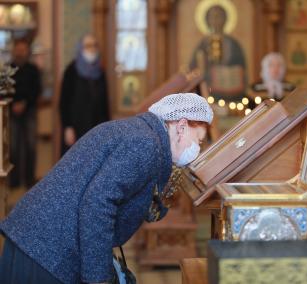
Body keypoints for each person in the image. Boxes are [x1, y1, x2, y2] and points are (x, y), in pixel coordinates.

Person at [0, 93, 213, 284]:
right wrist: (99, 278)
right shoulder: (146, 144)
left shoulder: (142, 133)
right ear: (182, 126)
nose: (197, 149)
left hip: (38, 241)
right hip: (45, 250)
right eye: (198, 140)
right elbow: (97, 204)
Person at [59, 34, 109, 155]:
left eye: (94, 45)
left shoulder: (100, 72)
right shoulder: (71, 70)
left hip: (96, 126)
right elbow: (64, 101)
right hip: (75, 127)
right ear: (80, 48)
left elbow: (105, 103)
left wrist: (107, 128)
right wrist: (68, 127)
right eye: (87, 46)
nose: (92, 48)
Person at [190, 5, 247, 102]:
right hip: (209, 92)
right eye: (212, 17)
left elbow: (241, 67)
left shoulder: (233, 44)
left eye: (219, 16)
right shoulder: (203, 44)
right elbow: (194, 68)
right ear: (207, 20)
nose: (216, 20)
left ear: (225, 19)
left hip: (232, 94)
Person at [9, 39, 42, 188]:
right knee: (13, 147)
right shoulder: (7, 69)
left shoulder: (33, 69)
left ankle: (29, 180)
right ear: (14, 50)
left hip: (29, 111)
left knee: (30, 146)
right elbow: (4, 91)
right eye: (18, 49)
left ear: (27, 51)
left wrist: (24, 103)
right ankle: (14, 181)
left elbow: (37, 90)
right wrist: (14, 104)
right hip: (11, 112)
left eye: (23, 49)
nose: (20, 52)